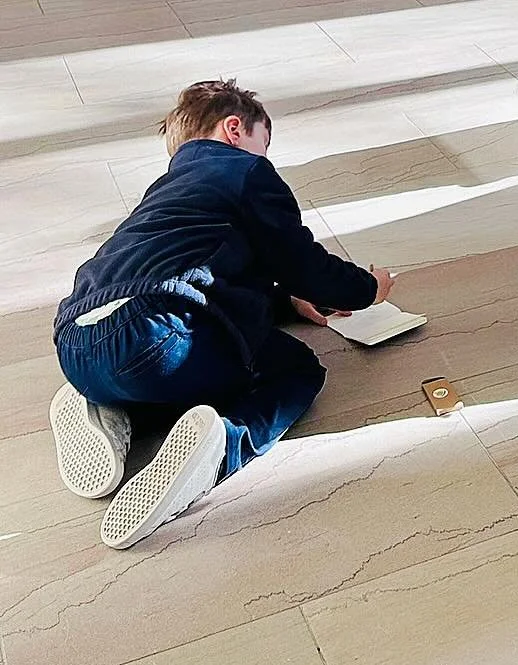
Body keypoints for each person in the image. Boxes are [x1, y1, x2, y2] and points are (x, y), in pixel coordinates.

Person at [49, 80, 393, 551]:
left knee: (168, 361)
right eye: (264, 143)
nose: (265, 157)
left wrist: (287, 302)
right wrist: (368, 289)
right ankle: (217, 446)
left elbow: (211, 273)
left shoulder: (164, 192)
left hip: (75, 336)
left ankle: (108, 405)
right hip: (155, 337)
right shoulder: (248, 173)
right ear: (235, 129)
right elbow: (301, 262)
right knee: (294, 369)